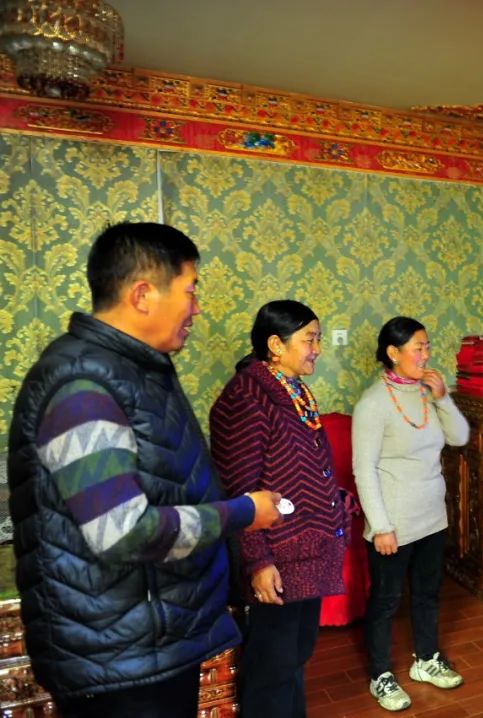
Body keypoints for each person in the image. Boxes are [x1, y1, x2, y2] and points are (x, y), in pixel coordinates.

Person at [6, 222, 281, 718]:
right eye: (190, 291)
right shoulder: (82, 385)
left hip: (149, 643)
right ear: (142, 294)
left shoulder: (134, 370)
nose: (197, 308)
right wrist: (244, 512)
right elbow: (123, 531)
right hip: (119, 661)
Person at [210, 300, 353, 718]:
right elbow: (241, 489)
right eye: (309, 339)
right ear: (276, 344)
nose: (317, 349)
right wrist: (258, 562)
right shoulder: (246, 397)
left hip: (308, 549)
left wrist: (334, 499)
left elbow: (299, 467)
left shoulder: (295, 391)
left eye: (318, 339)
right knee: (271, 665)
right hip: (277, 555)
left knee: (296, 654)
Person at [352, 316, 470, 712]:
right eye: (418, 348)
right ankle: (381, 675)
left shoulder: (426, 393)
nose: (426, 355)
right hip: (393, 524)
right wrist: (381, 527)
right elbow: (363, 469)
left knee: (427, 593)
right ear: (393, 352)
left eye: (427, 346)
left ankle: (426, 659)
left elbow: (460, 437)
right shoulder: (372, 403)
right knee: (386, 601)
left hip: (432, 517)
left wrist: (443, 398)